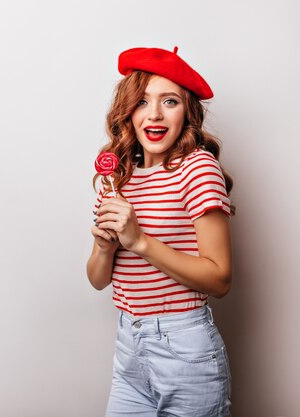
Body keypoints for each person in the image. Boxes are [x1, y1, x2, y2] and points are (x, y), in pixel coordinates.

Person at [87, 46, 234, 417]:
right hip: (129, 348)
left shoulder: (197, 168)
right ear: (128, 111)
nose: (154, 114)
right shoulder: (120, 178)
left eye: (169, 101)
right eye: (142, 101)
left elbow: (219, 279)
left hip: (184, 349)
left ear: (187, 112)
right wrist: (104, 247)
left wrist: (139, 241)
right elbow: (98, 279)